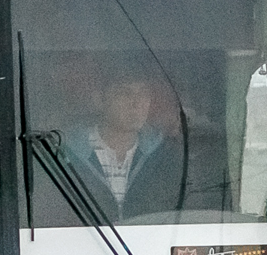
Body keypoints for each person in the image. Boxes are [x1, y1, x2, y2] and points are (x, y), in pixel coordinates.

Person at [68, 67, 189, 222]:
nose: (136, 103)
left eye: (143, 94)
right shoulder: (65, 155)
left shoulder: (166, 155)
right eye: (124, 93)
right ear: (100, 100)